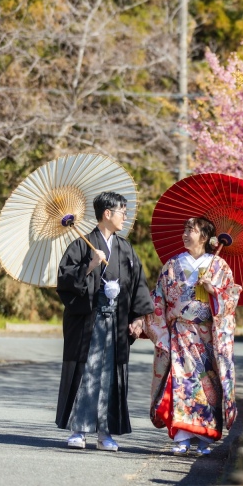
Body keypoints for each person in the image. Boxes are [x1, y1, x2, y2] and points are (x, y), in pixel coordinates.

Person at [55, 191, 153, 451]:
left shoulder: (125, 248)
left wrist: (139, 318)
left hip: (117, 322)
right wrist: (90, 265)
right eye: (122, 211)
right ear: (107, 214)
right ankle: (79, 429)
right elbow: (65, 280)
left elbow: (138, 285)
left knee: (111, 376)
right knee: (88, 373)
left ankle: (104, 433)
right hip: (90, 319)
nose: (125, 216)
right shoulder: (81, 244)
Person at [143, 216, 241, 455]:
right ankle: (182, 436)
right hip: (182, 332)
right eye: (185, 229)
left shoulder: (219, 267)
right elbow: (159, 300)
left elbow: (231, 298)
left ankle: (204, 438)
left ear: (205, 237)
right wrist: (163, 332)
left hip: (208, 335)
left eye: (192, 230)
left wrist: (214, 291)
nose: (186, 234)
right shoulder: (172, 265)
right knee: (183, 382)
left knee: (209, 384)